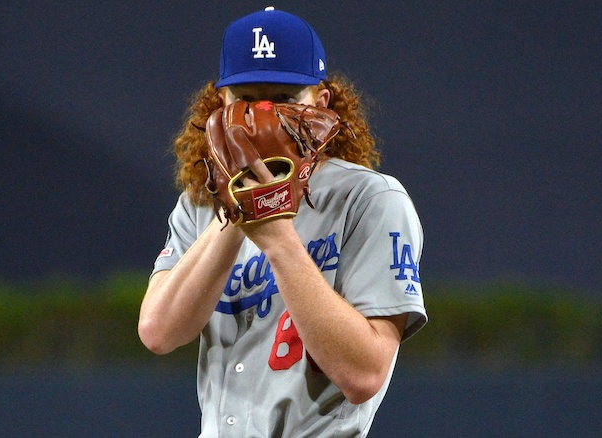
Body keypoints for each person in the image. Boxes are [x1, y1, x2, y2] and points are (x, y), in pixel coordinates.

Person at [138, 7, 427, 437]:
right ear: (221, 104)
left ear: (322, 103)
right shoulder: (202, 204)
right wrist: (238, 211)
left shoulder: (370, 200)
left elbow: (365, 374)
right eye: (248, 100)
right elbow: (158, 331)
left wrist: (276, 238)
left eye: (285, 99)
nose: (264, 117)